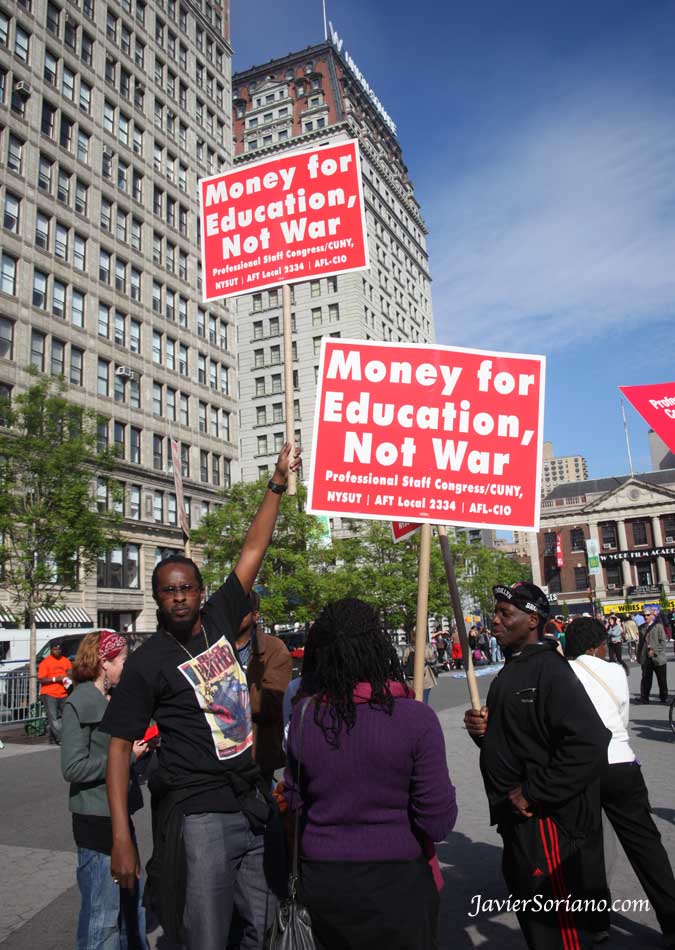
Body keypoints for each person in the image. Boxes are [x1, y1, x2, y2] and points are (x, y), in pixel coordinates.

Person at [102, 444, 300, 950]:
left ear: (200, 590)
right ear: (157, 599)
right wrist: (122, 837)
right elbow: (119, 748)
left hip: (252, 803)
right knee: (206, 937)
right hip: (201, 814)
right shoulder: (146, 663)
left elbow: (254, 549)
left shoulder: (218, 619)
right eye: (169, 591)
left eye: (187, 587)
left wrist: (276, 481)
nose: (180, 597)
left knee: (264, 928)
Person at [284, 598, 457, 950]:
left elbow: (293, 802)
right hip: (398, 881)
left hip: (324, 880)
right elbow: (437, 822)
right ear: (378, 646)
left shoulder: (304, 717)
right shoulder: (416, 719)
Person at [464, 581, 610, 950]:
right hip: (517, 822)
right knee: (533, 920)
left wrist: (534, 791)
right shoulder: (512, 670)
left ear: (532, 620)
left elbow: (591, 741)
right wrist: (483, 731)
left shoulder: (550, 670)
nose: (494, 621)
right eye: (495, 612)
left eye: (504, 614)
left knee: (557, 930)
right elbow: (521, 738)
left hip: (544, 823)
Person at [565, 616, 675, 944]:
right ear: (596, 645)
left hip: (582, 769)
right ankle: (671, 920)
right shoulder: (614, 670)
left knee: (588, 846)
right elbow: (622, 719)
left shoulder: (561, 673)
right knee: (646, 845)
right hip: (622, 762)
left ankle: (597, 922)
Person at [61, 630, 148, 950]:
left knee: (129, 909)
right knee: (102, 915)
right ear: (104, 662)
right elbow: (72, 768)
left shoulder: (112, 699)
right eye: (122, 660)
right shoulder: (79, 703)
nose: (126, 666)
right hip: (95, 821)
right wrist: (123, 759)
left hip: (118, 816)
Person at [236, 589, 292, 785]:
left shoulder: (275, 649)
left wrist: (224, 691)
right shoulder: (215, 646)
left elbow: (271, 703)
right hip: (216, 760)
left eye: (240, 610)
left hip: (258, 758)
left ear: (255, 615)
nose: (233, 614)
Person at [38, 641, 72, 744]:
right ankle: (61, 739)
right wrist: (56, 679)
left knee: (66, 716)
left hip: (64, 692)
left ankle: (54, 737)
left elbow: (70, 672)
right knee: (54, 718)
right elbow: (42, 679)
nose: (57, 651)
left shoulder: (65, 660)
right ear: (51, 650)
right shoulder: (45, 663)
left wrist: (68, 678)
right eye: (55, 649)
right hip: (49, 693)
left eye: (59, 649)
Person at [638, 608, 669, 703]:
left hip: (658, 657)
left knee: (662, 679)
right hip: (646, 657)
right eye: (644, 615)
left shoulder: (658, 626)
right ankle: (644, 697)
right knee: (646, 678)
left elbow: (663, 642)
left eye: (647, 615)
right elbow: (640, 643)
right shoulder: (641, 627)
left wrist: (655, 651)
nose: (645, 617)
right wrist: (639, 655)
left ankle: (664, 697)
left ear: (652, 615)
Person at [402, 637, 438, 704]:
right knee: (424, 701)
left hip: (411, 680)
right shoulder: (426, 649)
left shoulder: (407, 650)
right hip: (425, 680)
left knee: (413, 701)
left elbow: (403, 663)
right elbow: (433, 660)